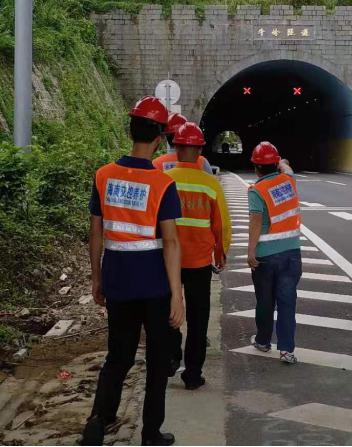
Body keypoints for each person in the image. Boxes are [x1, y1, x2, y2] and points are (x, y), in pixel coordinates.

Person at [81, 96, 185, 446]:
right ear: (160, 137)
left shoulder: (104, 175)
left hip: (118, 280)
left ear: (130, 131)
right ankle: (151, 433)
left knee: (118, 355)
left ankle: (97, 423)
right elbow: (171, 242)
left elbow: (96, 233)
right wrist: (177, 295)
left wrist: (97, 278)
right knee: (157, 360)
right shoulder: (162, 184)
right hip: (154, 285)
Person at [165, 122, 231, 389]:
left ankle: (171, 358)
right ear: (201, 150)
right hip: (200, 262)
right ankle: (193, 374)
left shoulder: (165, 180)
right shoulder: (210, 183)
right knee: (198, 318)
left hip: (167, 261)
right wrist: (221, 252)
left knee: (168, 310)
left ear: (176, 147)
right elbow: (221, 223)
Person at [247, 142, 302, 364]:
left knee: (265, 300)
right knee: (287, 301)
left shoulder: (256, 190)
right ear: (275, 164)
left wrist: (251, 251)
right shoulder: (289, 180)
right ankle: (287, 349)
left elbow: (255, 222)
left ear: (256, 167)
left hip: (266, 256)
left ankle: (263, 341)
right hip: (291, 253)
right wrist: (282, 163)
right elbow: (287, 167)